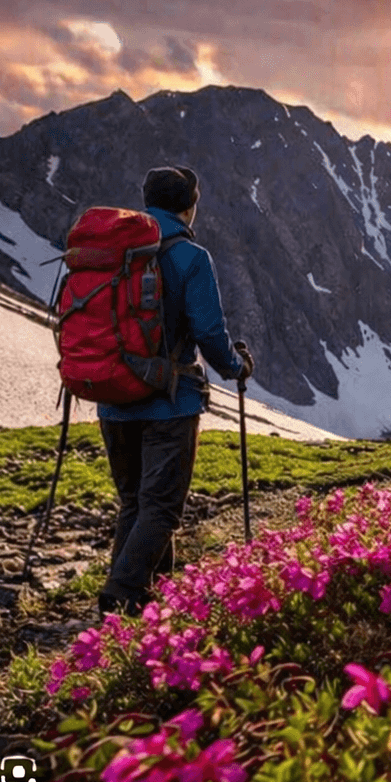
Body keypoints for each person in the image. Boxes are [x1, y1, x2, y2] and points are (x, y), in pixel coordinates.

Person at [95, 165, 253, 615]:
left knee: (136, 503)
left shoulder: (114, 250)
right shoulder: (190, 256)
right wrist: (235, 367)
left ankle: (156, 594)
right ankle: (121, 594)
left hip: (113, 399)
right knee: (161, 508)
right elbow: (208, 330)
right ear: (190, 206)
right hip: (169, 401)